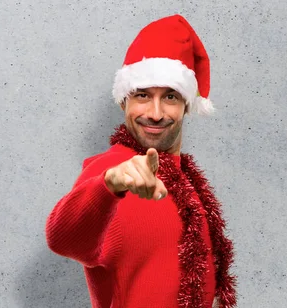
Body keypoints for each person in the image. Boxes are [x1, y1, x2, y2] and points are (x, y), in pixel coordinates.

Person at [45, 14, 236, 308]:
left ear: (186, 104)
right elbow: (62, 237)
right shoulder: (112, 170)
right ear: (124, 101)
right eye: (143, 95)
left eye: (170, 96)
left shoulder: (187, 181)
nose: (156, 113)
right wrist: (110, 183)